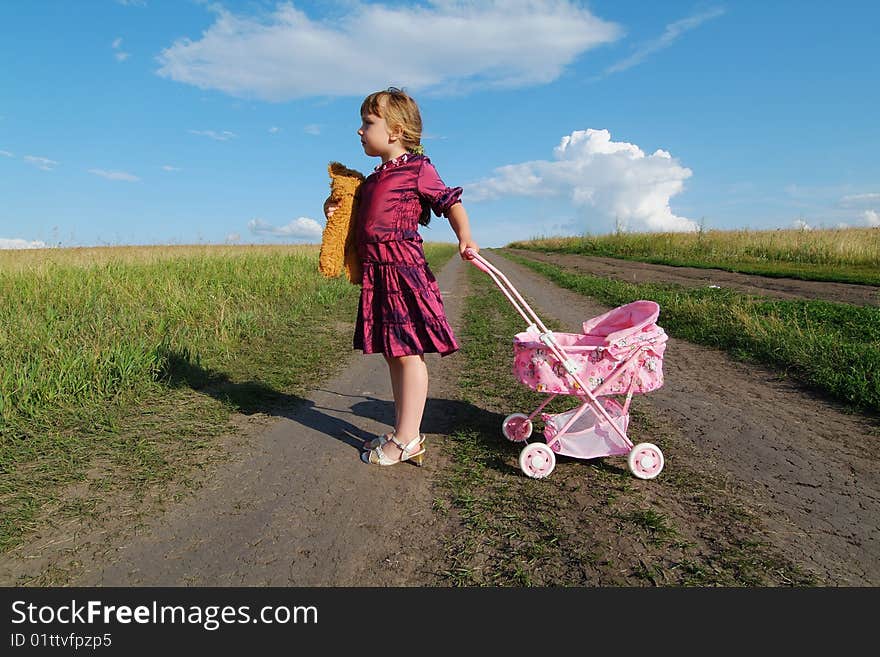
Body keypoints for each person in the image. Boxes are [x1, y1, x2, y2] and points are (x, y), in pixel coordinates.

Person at [323, 86, 478, 467]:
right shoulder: (372, 179)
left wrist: (465, 239)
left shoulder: (417, 168)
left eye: (367, 123)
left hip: (403, 270)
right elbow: (358, 221)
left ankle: (409, 438)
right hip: (378, 273)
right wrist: (334, 211)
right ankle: (401, 430)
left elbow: (450, 202)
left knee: (408, 354)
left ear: (394, 130)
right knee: (394, 355)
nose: (360, 131)